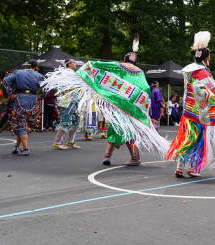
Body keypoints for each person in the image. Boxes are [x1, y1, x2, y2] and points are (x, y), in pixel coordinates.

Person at [42, 38, 169, 166]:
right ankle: (114, 156)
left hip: (118, 104)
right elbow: (145, 89)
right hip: (131, 107)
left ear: (125, 59)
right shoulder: (140, 72)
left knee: (118, 129)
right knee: (123, 129)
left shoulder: (120, 66)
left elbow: (97, 64)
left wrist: (88, 68)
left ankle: (121, 156)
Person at [165, 31, 215, 178]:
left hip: (188, 110)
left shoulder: (189, 70)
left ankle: (180, 167)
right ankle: (194, 169)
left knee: (188, 137)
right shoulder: (203, 73)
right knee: (199, 139)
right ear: (206, 58)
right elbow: (213, 92)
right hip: (200, 112)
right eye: (209, 57)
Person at [2, 60, 44, 156]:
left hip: (20, 99)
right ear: (36, 67)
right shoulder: (39, 75)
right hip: (33, 100)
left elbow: (5, 81)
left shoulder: (18, 72)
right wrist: (41, 95)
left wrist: (11, 93)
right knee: (25, 124)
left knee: (21, 123)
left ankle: (25, 149)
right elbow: (47, 86)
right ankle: (16, 147)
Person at [52, 59, 82, 150]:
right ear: (69, 64)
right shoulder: (65, 73)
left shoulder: (74, 73)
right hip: (67, 99)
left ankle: (71, 142)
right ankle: (57, 142)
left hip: (75, 100)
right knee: (66, 119)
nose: (75, 64)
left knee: (76, 120)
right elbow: (61, 87)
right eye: (74, 62)